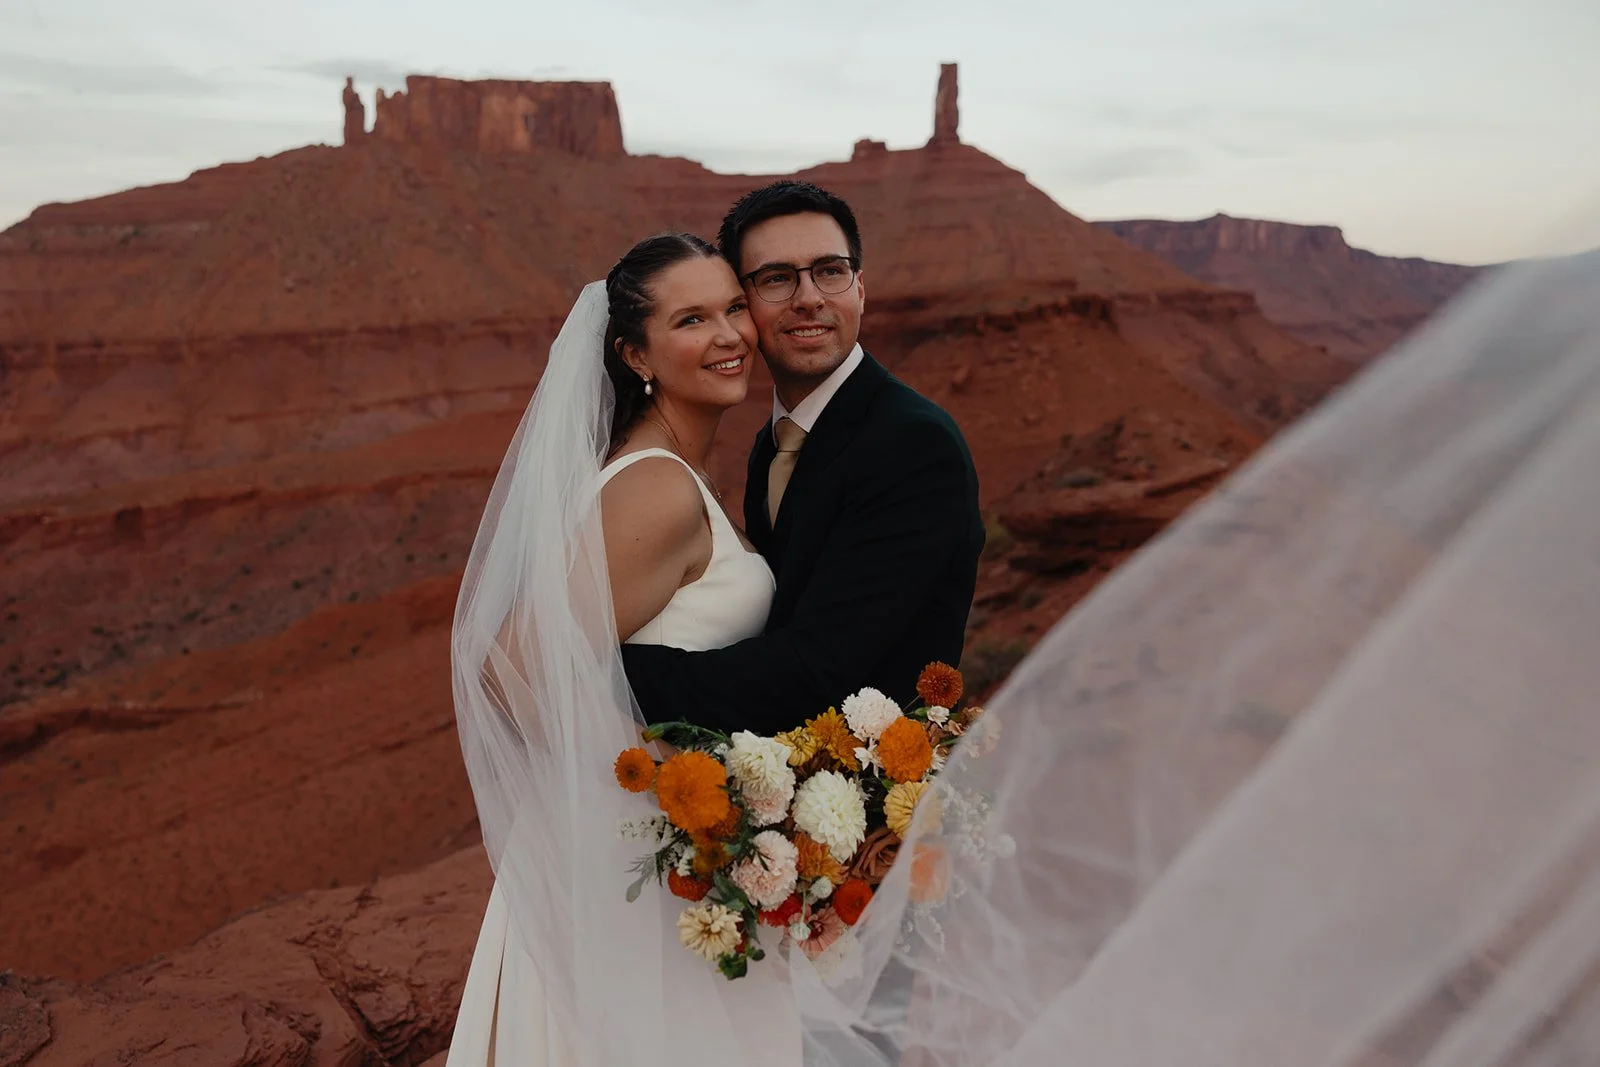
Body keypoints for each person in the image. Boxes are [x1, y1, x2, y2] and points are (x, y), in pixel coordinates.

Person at [447, 232, 801, 1067]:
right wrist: (660, 807)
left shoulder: (675, 471)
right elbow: (513, 665)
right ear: (635, 352)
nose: (729, 335)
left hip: (646, 876)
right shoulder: (655, 487)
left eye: (732, 309)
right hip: (628, 884)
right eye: (691, 319)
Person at [622, 181, 986, 734]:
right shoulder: (775, 443)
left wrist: (601, 676)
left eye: (830, 271)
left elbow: (819, 671)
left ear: (860, 287)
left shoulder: (913, 446)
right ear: (747, 308)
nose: (809, 297)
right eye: (777, 279)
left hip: (876, 808)